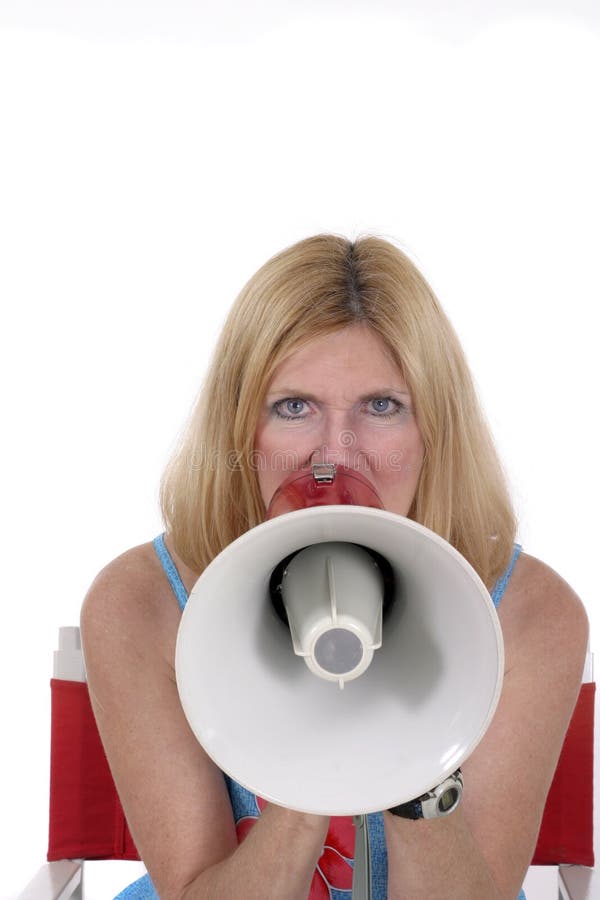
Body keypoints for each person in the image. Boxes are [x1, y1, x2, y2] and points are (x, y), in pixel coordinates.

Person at [81, 233, 588, 900]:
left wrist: (408, 733)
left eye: (382, 407)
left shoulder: (530, 614)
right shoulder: (140, 604)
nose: (335, 454)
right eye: (294, 407)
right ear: (241, 430)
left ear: (434, 431)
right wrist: (316, 740)